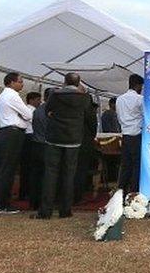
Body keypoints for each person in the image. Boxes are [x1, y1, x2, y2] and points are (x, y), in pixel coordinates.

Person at [35, 73, 95, 219]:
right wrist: (90, 135)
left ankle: (45, 211)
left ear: (64, 81)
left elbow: (47, 111)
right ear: (78, 83)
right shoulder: (85, 98)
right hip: (74, 140)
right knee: (69, 175)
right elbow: (90, 119)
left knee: (51, 173)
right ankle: (65, 210)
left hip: (54, 138)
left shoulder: (55, 95)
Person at [0, 72, 31, 214]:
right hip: (13, 133)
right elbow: (28, 115)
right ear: (11, 82)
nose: (22, 84)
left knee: (6, 169)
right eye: (20, 81)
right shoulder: (12, 95)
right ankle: (0, 204)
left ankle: (1, 202)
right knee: (8, 170)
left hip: (7, 133)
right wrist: (22, 116)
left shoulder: (2, 96)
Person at [116, 74, 143, 194]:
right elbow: (146, 115)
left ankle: (121, 191)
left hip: (125, 135)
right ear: (138, 85)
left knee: (125, 166)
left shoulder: (119, 99)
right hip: (137, 135)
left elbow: (119, 117)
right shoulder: (139, 99)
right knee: (137, 166)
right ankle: (134, 192)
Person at [28, 87, 52, 210]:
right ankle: (44, 203)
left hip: (36, 144)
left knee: (35, 175)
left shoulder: (37, 110)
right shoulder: (51, 111)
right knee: (46, 175)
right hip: (46, 145)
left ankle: (33, 202)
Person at [18, 91, 41, 204]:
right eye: (37, 99)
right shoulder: (30, 111)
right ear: (31, 100)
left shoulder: (29, 109)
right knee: (29, 167)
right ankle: (26, 192)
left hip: (27, 138)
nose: (39, 102)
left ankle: (24, 192)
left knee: (26, 167)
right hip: (30, 138)